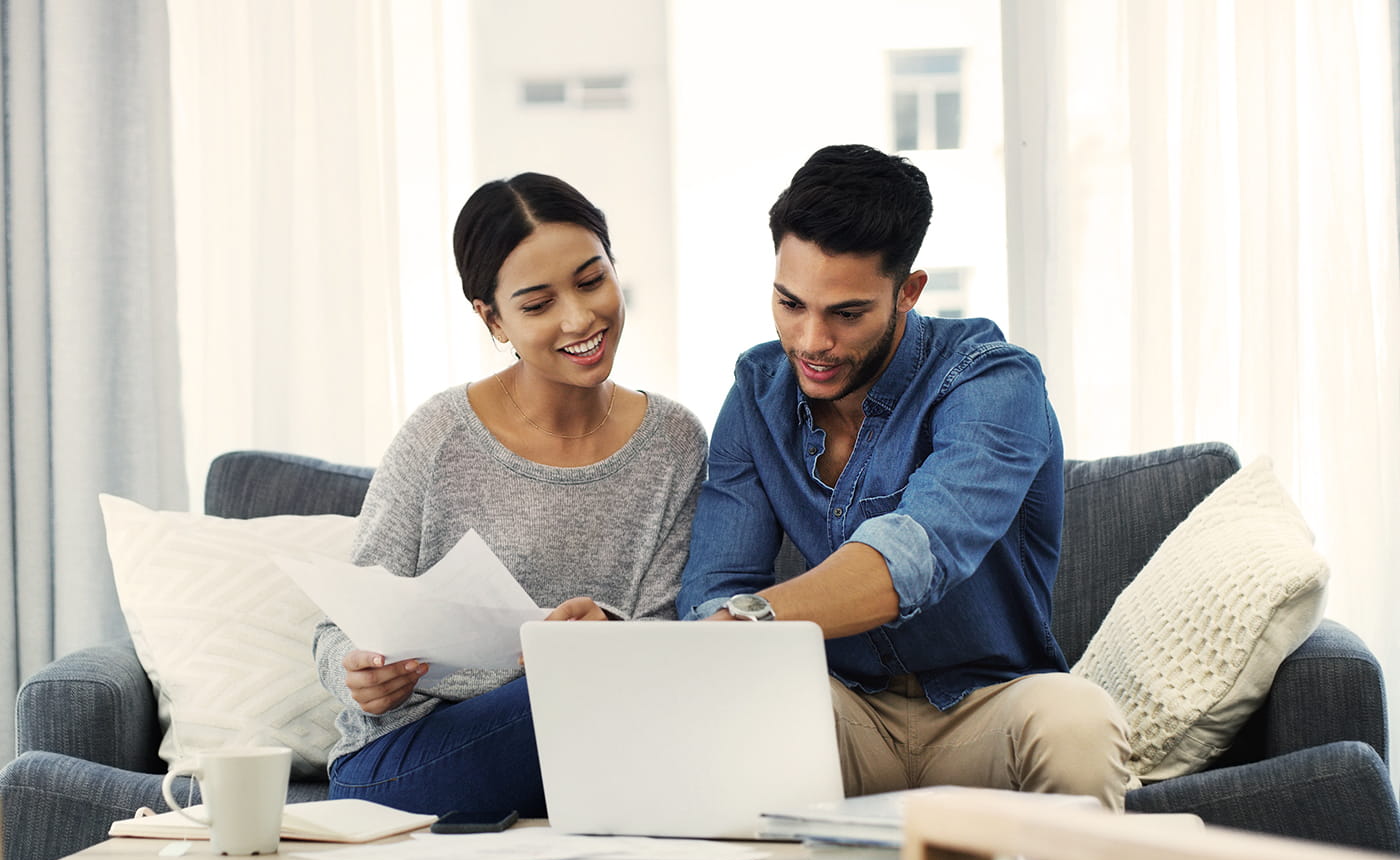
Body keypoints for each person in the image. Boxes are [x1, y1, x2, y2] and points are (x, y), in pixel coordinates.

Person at [678, 144, 1132, 810]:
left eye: (847, 313)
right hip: (839, 709)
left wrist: (752, 620)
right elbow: (715, 585)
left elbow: (913, 554)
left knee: (1079, 724)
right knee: (732, 711)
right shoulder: (756, 391)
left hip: (988, 706)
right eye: (790, 303)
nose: (809, 340)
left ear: (909, 292)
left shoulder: (994, 380)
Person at [315, 172, 708, 818]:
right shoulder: (440, 434)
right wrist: (357, 674)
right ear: (492, 318)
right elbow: (338, 630)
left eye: (591, 280)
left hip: (595, 731)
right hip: (405, 761)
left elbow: (668, 639)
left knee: (635, 688)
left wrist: (609, 633)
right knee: (579, 692)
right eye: (537, 304)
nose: (580, 318)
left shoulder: (674, 441)